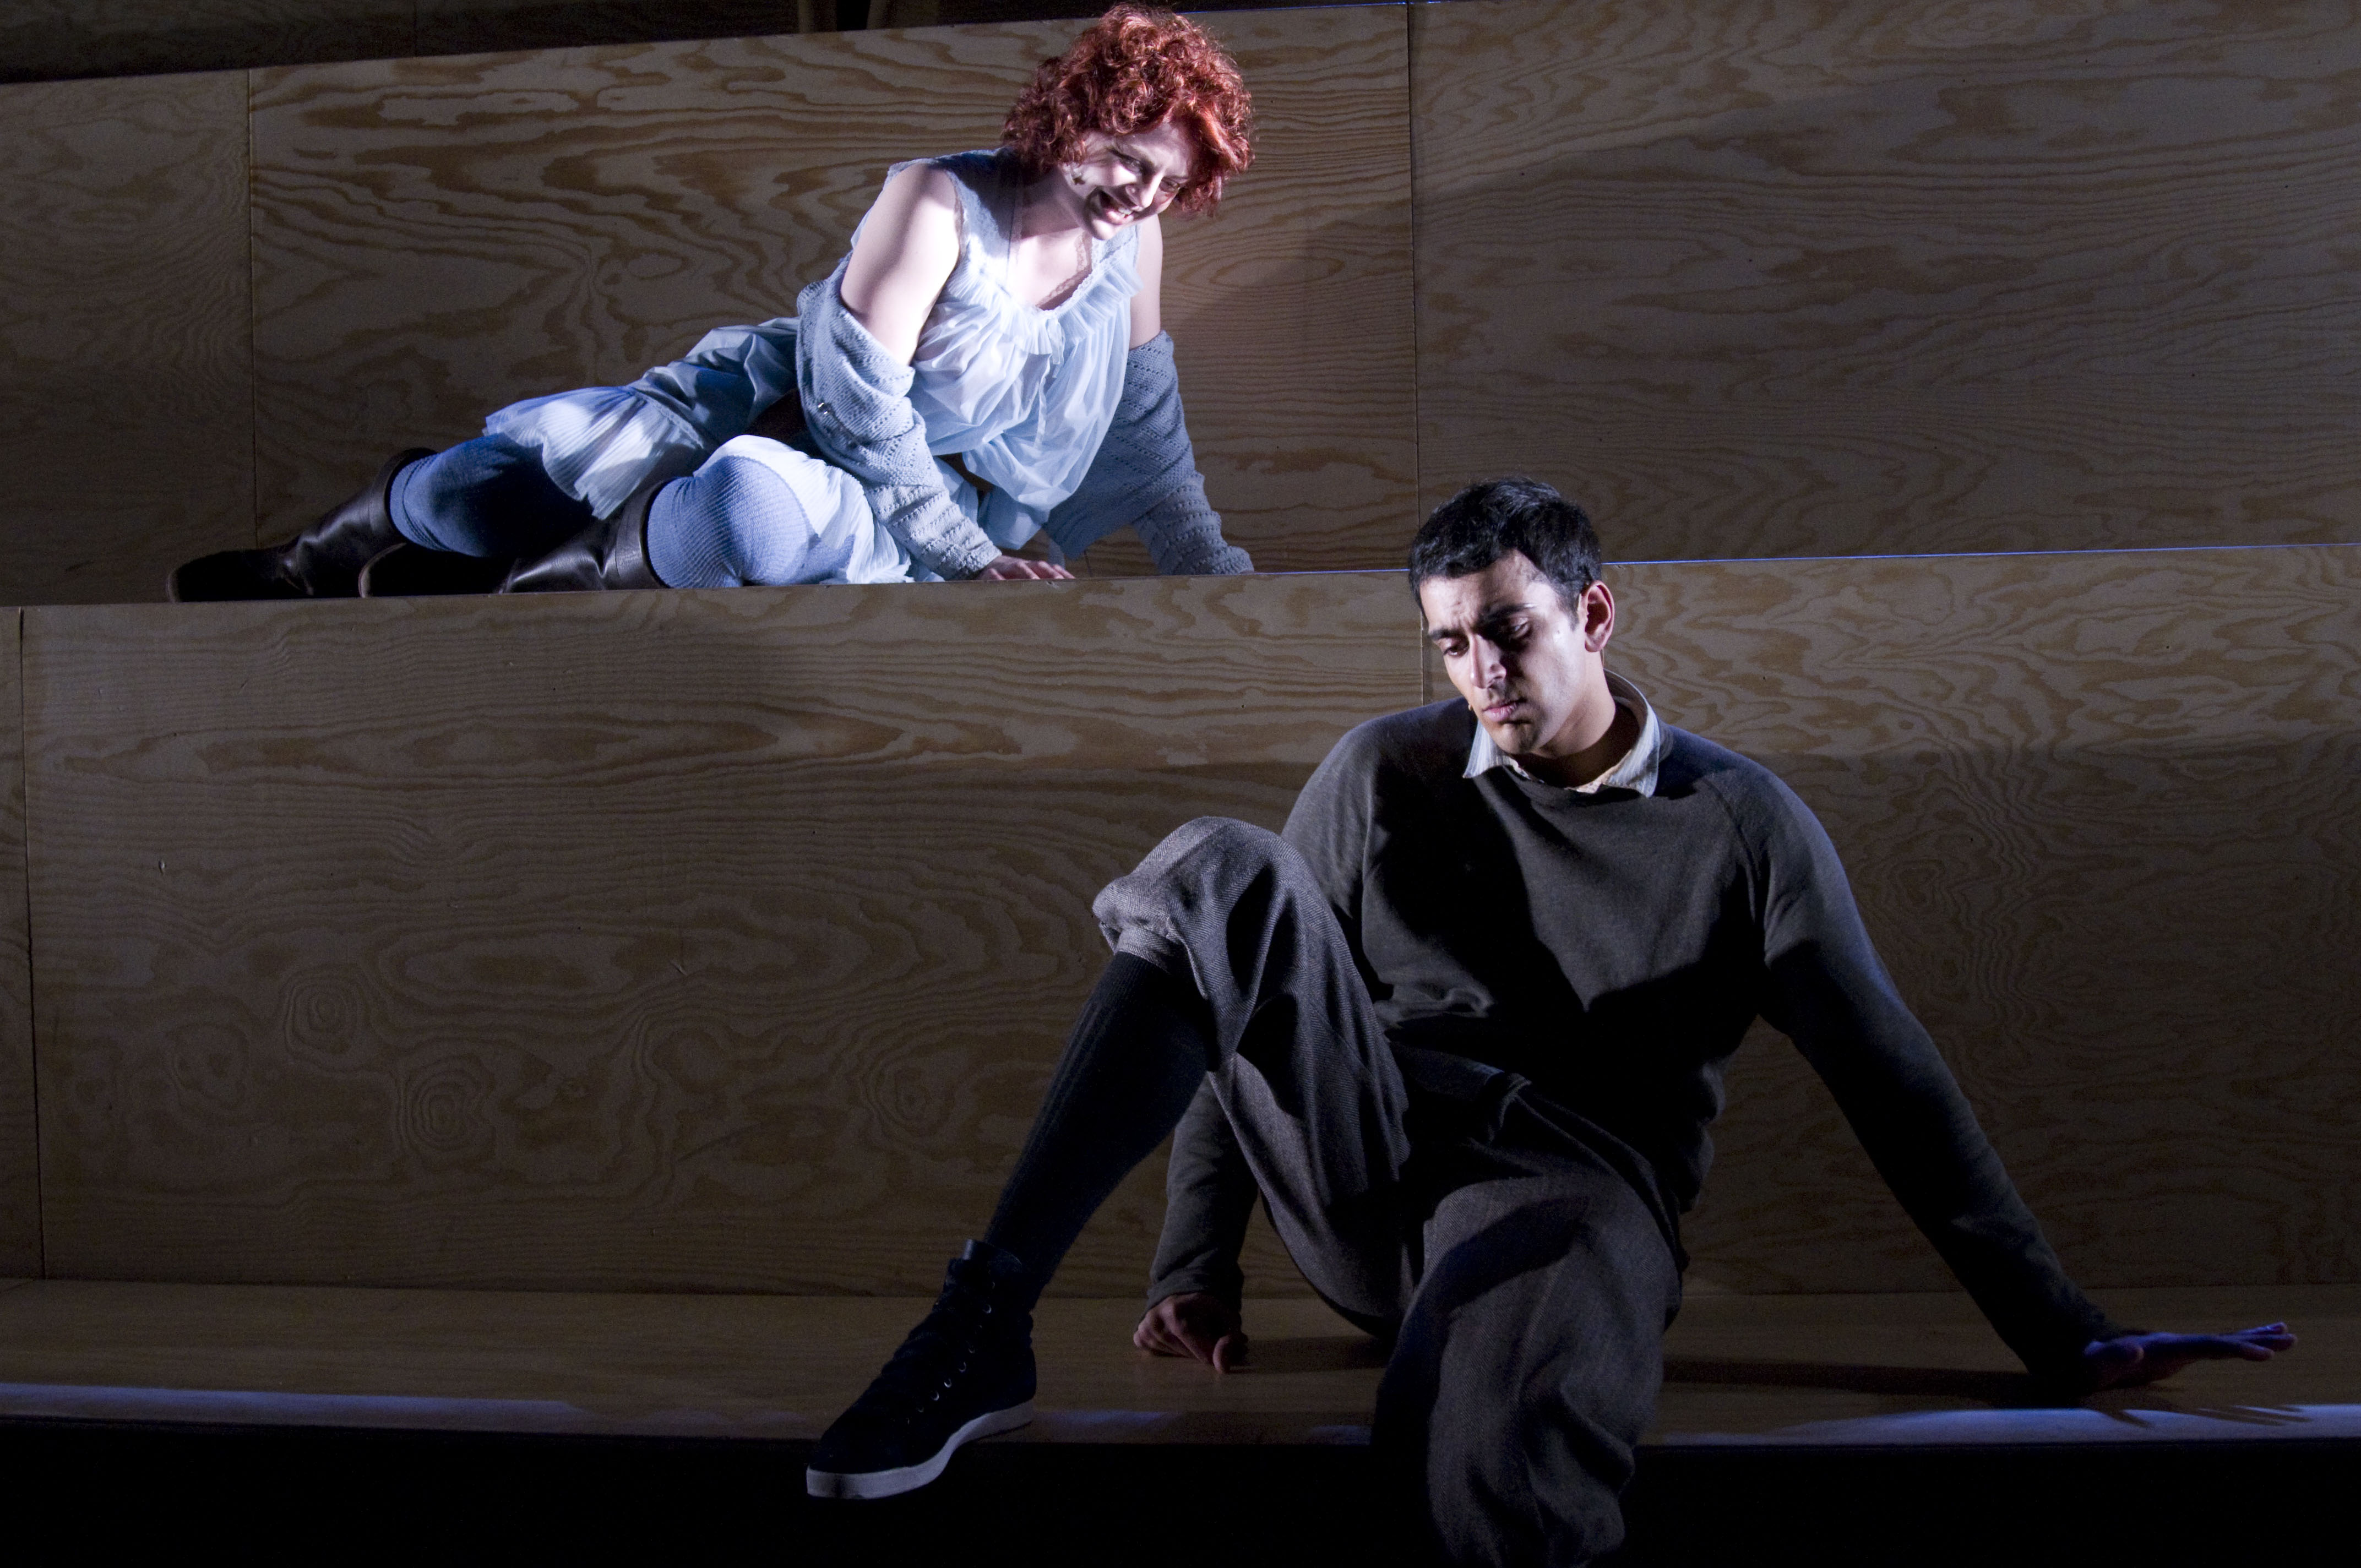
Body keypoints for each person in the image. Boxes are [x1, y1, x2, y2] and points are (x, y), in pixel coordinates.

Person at [800, 478, 2297, 1564]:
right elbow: (1235, 994)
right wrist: (1197, 1264)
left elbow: (1892, 1081)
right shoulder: (1384, 773)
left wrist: (2060, 1330)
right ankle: (981, 1321)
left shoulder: (1740, 825)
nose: (1480, 675)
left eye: (1505, 632)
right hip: (1370, 1168)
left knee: (1502, 1448)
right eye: (1450, 644)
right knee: (1217, 865)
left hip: (1573, 1197)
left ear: (1592, 612)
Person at [170, 5, 1255, 603]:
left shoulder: (1135, 243)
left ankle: (537, 586)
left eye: (1168, 183)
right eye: (1128, 160)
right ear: (1074, 120)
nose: (1140, 195)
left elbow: (1143, 425)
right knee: (478, 498)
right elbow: (855, 410)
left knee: (744, 514)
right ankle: (318, 557)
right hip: (803, 420)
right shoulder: (937, 202)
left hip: (922, 516)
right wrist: (968, 555)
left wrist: (1215, 578)